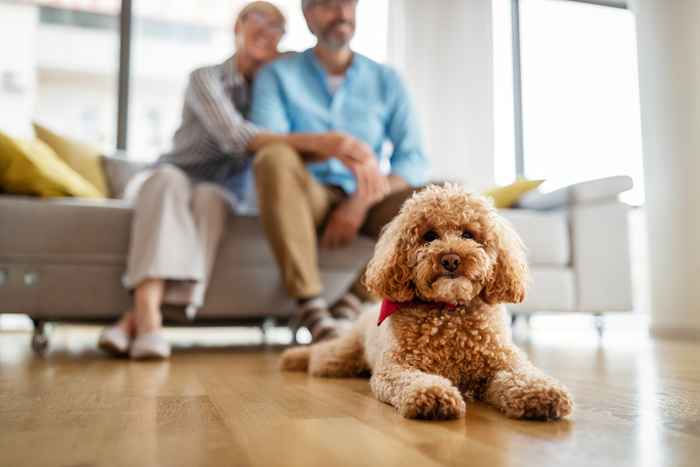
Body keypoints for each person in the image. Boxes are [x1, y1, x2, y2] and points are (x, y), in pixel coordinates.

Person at [98, 1, 368, 359]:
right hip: (176, 173)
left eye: (277, 27)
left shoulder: (275, 86)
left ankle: (128, 322)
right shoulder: (205, 78)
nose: (267, 30)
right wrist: (323, 143)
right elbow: (236, 137)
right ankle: (149, 321)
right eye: (258, 19)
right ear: (237, 26)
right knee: (166, 184)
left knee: (212, 201)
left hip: (222, 188)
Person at [249, 0, 429, 343]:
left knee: (432, 204)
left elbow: (414, 159)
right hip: (307, 192)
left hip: (370, 193)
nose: (342, 14)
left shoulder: (386, 79)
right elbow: (266, 140)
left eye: (348, 3)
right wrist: (326, 144)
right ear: (307, 14)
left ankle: (351, 305)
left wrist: (360, 201)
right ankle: (311, 308)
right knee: (272, 157)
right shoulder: (277, 75)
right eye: (328, 5)